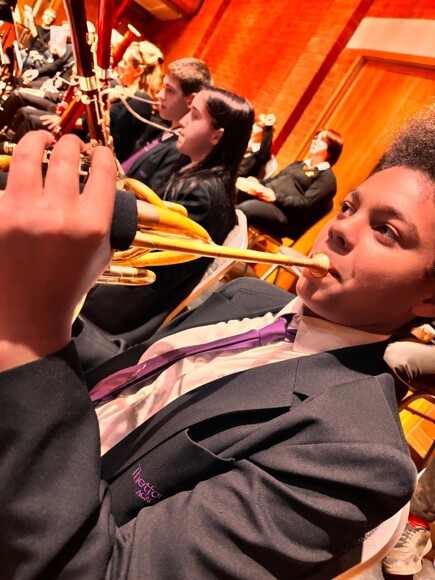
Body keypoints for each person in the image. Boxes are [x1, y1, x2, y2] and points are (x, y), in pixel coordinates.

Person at [0, 106, 434, 578]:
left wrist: (32, 324)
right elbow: (133, 381)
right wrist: (57, 301)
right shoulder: (248, 294)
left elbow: (107, 570)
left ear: (430, 299)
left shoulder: (356, 456)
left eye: (386, 231)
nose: (341, 228)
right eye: (349, 207)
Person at [75, 86, 253, 368]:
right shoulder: (193, 172)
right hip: (118, 292)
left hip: (120, 309)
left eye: (195, 115)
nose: (182, 120)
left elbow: (152, 264)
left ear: (216, 136)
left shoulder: (203, 193)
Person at [121, 57, 212, 194]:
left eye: (169, 90)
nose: (160, 95)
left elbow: (149, 196)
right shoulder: (165, 131)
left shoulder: (181, 147)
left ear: (191, 100)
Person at [237, 128, 343, 240]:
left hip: (286, 215)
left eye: (321, 140)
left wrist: (276, 198)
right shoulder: (299, 164)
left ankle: (232, 245)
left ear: (332, 149)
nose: (315, 141)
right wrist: (257, 183)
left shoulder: (326, 179)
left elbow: (304, 205)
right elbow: (275, 179)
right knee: (232, 192)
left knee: (245, 208)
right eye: (316, 138)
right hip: (267, 198)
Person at [238, 112, 276, 178]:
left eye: (258, 126)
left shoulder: (261, 152)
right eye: (255, 123)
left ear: (264, 131)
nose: (253, 126)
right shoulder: (244, 142)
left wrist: (268, 127)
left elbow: (264, 152)